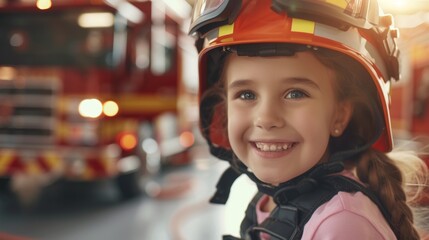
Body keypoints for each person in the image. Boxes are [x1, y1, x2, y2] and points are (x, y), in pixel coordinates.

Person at [188, 0, 426, 239]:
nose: (266, 118)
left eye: (295, 93)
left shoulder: (341, 223)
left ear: (340, 115)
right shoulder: (272, 198)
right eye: (246, 94)